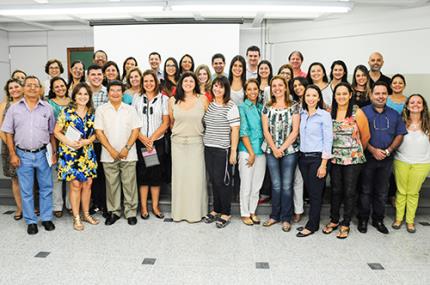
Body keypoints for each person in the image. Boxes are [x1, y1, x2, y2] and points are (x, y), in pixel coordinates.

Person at [2, 76, 57, 235]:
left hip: (43, 153)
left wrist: (53, 153)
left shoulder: (47, 108)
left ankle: (46, 218)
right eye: (29, 85)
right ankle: (31, 221)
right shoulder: (14, 108)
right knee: (26, 190)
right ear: (23, 88)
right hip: (22, 154)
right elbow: (8, 133)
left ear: (40, 89)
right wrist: (12, 154)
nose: (32, 88)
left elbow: (52, 133)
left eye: (36, 85)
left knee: (46, 188)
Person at [358, 81, 407, 234]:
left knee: (382, 191)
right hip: (367, 158)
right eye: (377, 93)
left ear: (388, 95)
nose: (380, 96)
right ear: (371, 95)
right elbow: (357, 135)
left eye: (383, 93)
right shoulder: (362, 112)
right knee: (365, 190)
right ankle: (363, 219)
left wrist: (389, 150)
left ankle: (378, 219)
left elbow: (400, 134)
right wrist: (373, 150)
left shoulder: (394, 114)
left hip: (387, 159)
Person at [322, 82, 370, 239]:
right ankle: (334, 220)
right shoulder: (330, 112)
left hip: (353, 159)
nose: (341, 96)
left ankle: (346, 222)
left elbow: (366, 136)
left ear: (350, 95)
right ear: (334, 96)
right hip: (335, 159)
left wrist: (354, 151)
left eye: (344, 93)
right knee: (336, 190)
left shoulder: (358, 112)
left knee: (349, 192)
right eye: (338, 94)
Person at [95, 80, 142, 226]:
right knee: (112, 184)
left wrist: (126, 148)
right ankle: (114, 212)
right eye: (112, 90)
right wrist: (111, 150)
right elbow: (99, 132)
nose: (115, 93)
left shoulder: (130, 109)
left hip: (129, 153)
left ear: (123, 93)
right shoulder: (101, 110)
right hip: (108, 154)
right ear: (108, 93)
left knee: (129, 184)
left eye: (118, 90)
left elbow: (136, 130)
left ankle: (131, 212)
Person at [54, 82, 98, 231]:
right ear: (74, 95)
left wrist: (88, 141)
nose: (82, 96)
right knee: (75, 184)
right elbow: (57, 131)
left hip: (87, 153)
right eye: (80, 94)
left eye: (86, 94)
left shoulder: (93, 112)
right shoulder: (66, 112)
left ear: (89, 96)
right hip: (70, 153)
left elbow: (97, 133)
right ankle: (76, 217)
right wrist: (70, 143)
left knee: (88, 184)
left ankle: (86, 214)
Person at [169, 72, 209, 222]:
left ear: (195, 83)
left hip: (197, 143)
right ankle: (179, 214)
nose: (188, 83)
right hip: (178, 144)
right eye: (185, 80)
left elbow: (208, 121)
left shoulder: (203, 99)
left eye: (191, 81)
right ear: (180, 83)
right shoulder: (173, 100)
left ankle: (197, 213)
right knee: (180, 179)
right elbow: (172, 123)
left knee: (196, 179)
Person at [262, 76, 300, 232]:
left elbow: (295, 131)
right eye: (274, 86)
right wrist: (275, 149)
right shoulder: (267, 106)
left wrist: (282, 148)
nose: (277, 88)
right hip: (271, 150)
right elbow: (266, 130)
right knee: (276, 185)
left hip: (289, 151)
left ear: (285, 87)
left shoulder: (294, 106)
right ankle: (274, 216)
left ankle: (286, 218)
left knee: (286, 185)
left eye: (280, 85)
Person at [202, 76, 240, 228]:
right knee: (213, 180)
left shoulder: (231, 106)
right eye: (215, 86)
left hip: (222, 150)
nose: (217, 89)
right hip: (208, 148)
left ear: (226, 89)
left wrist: (233, 152)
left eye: (221, 87)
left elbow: (235, 130)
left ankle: (226, 212)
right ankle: (216, 209)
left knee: (223, 181)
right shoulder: (210, 105)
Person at [296, 85, 333, 237]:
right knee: (310, 192)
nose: (310, 98)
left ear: (319, 98)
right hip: (303, 158)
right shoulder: (302, 114)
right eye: (308, 96)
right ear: (304, 98)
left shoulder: (324, 115)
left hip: (318, 159)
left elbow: (328, 140)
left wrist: (324, 165)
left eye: (314, 95)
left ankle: (312, 225)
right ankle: (313, 221)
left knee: (316, 193)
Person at [133, 70, 169, 220]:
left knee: (155, 176)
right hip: (140, 141)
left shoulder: (163, 99)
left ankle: (155, 206)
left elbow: (165, 122)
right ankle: (143, 207)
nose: (148, 84)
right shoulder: (136, 98)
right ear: (142, 83)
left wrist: (152, 139)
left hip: (156, 143)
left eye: (151, 81)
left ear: (156, 82)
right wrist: (143, 138)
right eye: (146, 81)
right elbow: (133, 121)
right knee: (142, 176)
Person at [392, 94, 430, 233]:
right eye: (412, 102)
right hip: (401, 161)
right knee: (401, 191)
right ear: (407, 106)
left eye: (419, 102)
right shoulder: (401, 121)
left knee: (413, 193)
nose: (415, 104)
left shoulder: (428, 123)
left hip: (422, 163)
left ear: (423, 106)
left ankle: (410, 221)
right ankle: (398, 219)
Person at [238, 79, 266, 225]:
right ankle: (244, 213)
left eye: (255, 89)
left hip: (261, 151)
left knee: (257, 184)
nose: (253, 92)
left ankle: (252, 211)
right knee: (246, 184)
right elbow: (243, 131)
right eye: (249, 89)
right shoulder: (242, 107)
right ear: (245, 92)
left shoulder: (262, 108)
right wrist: (251, 153)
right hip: (247, 151)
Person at [47, 77, 71, 218]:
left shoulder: (73, 102)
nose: (60, 88)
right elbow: (50, 129)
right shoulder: (49, 104)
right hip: (55, 142)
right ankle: (57, 206)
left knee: (70, 176)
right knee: (56, 177)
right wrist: (54, 149)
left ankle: (69, 204)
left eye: (62, 85)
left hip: (72, 144)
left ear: (66, 87)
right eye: (57, 87)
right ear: (52, 89)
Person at [0, 79, 23, 220]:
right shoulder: (4, 105)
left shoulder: (28, 103)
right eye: (11, 88)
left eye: (17, 86)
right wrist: (11, 146)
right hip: (9, 147)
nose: (14, 90)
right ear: (8, 91)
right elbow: (1, 129)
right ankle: (20, 208)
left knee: (28, 178)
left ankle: (30, 206)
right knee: (15, 179)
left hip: (26, 146)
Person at [87, 64, 108, 215]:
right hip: (88, 141)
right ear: (88, 76)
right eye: (93, 74)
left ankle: (105, 204)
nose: (96, 77)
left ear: (103, 76)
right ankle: (94, 203)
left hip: (105, 141)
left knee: (104, 173)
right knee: (91, 175)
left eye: (99, 74)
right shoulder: (83, 93)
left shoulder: (108, 93)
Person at [289, 76, 309, 222]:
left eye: (300, 84)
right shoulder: (293, 104)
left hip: (311, 148)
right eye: (295, 86)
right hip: (294, 146)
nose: (297, 87)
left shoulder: (314, 101)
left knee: (301, 180)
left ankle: (299, 210)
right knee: (295, 179)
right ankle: (295, 210)